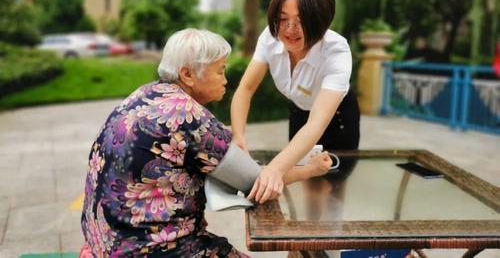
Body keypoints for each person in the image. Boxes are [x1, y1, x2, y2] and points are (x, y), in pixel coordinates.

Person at [80, 28, 332, 257]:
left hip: (103, 239)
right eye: (220, 70)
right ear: (188, 75)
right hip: (150, 249)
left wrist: (219, 136)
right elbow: (258, 183)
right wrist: (312, 169)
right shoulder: (191, 116)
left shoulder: (145, 94)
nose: (225, 79)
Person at [231, 0, 360, 204]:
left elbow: (317, 124)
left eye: (301, 21)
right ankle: (309, 236)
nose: (290, 29)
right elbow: (246, 88)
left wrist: (273, 169)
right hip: (300, 113)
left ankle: (333, 236)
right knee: (307, 186)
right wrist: (239, 137)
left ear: (321, 20)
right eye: (282, 18)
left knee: (333, 190)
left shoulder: (337, 51)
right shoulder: (269, 38)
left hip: (336, 118)